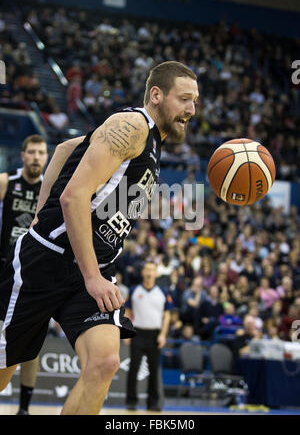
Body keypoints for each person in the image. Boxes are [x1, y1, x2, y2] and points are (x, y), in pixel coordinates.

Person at [0, 61, 199, 415]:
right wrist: (43, 221)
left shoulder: (153, 141)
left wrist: (91, 271)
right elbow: (73, 196)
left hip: (92, 266)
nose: (191, 110)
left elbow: (64, 149)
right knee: (2, 372)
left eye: (195, 102)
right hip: (47, 259)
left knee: (105, 363)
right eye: (184, 99)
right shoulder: (132, 125)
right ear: (156, 95)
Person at [0, 134, 48, 415]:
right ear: (23, 155)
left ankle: (25, 409)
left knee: (31, 344)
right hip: (5, 267)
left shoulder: (51, 187)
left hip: (35, 274)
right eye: (31, 152)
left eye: (41, 153)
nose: (36, 157)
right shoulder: (7, 182)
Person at [125, 261, 173, 411]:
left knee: (154, 370)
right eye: (146, 269)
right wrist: (126, 332)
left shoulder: (163, 292)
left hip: (155, 335)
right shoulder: (134, 290)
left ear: (156, 274)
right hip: (137, 333)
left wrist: (163, 334)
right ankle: (131, 401)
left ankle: (153, 402)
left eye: (152, 269)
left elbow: (167, 315)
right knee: (133, 368)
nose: (149, 272)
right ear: (142, 272)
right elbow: (127, 312)